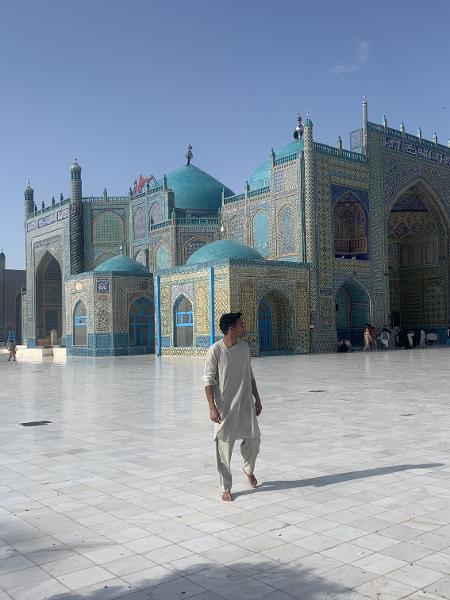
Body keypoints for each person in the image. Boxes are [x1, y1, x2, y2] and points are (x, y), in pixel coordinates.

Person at [203, 312, 262, 502]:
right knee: (223, 448)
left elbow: (249, 373)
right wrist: (212, 407)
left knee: (254, 440)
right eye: (241, 325)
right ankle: (225, 487)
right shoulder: (215, 351)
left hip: (245, 404)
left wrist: (257, 398)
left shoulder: (244, 347)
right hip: (225, 408)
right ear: (231, 329)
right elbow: (208, 381)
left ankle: (248, 468)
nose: (244, 327)